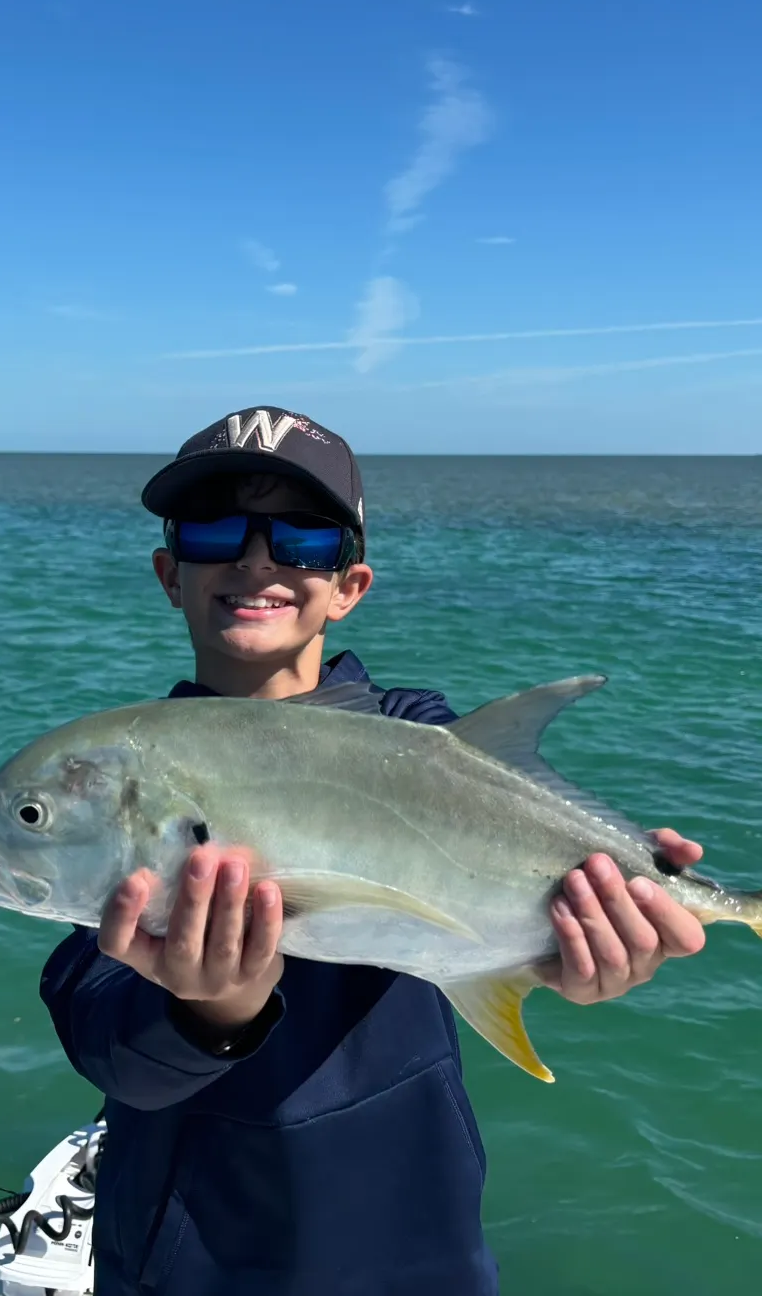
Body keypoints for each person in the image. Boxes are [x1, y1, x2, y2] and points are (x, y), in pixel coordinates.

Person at [38, 406, 706, 1295]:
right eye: (215, 529)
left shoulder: (429, 743)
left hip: (419, 1248)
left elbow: (499, 898)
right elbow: (107, 1037)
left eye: (303, 539)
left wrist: (586, 948)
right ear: (170, 573)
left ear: (349, 584)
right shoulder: (141, 779)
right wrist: (211, 1012)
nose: (256, 560)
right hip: (192, 1268)